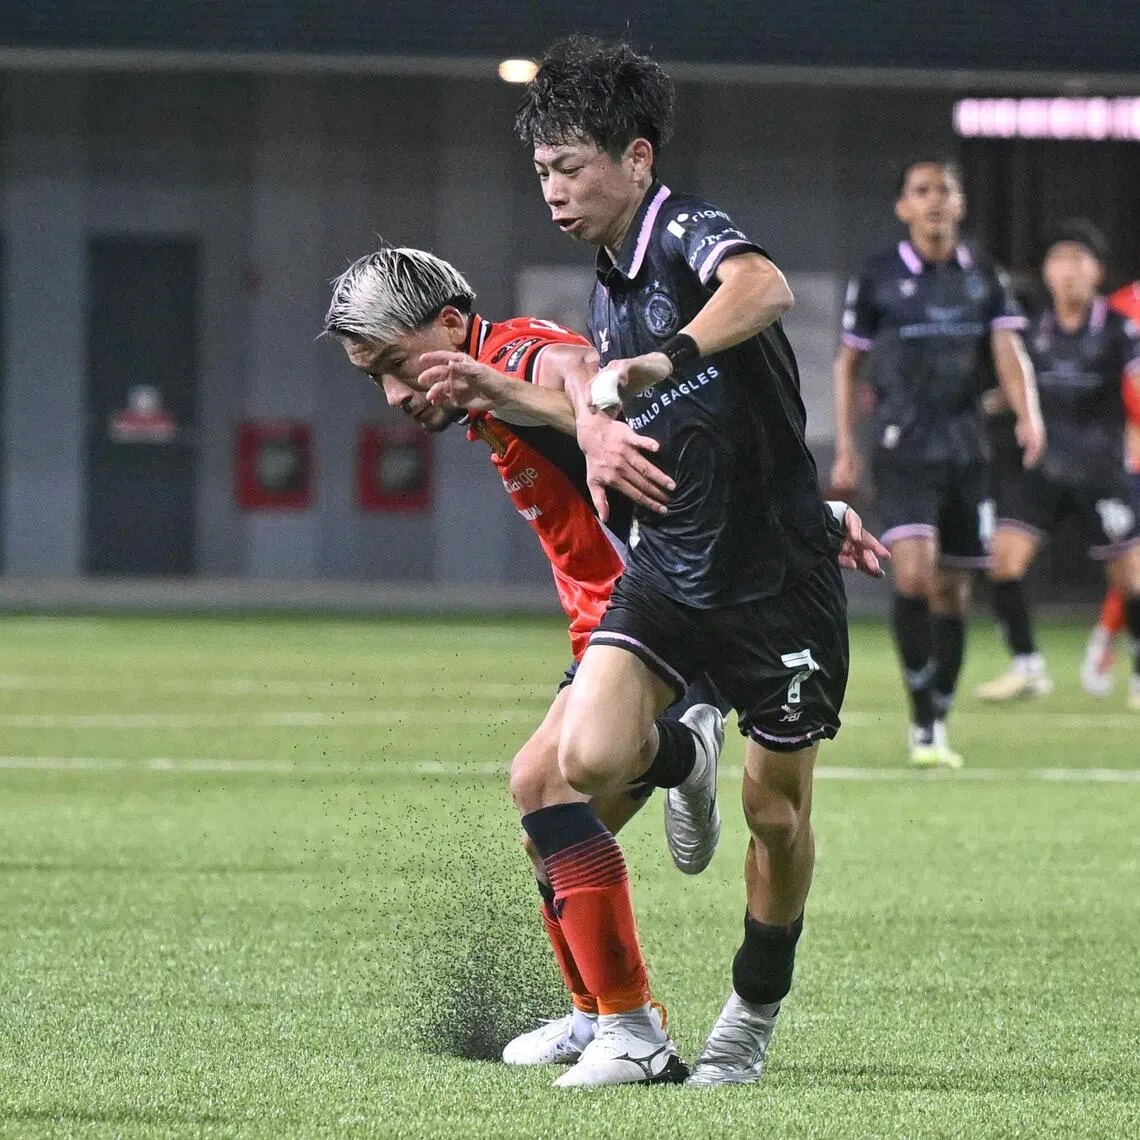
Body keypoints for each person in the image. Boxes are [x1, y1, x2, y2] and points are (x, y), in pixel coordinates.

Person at [514, 36, 888, 1087]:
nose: (555, 188)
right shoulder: (604, 282)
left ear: (636, 158)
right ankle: (685, 756)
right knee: (578, 765)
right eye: (542, 170)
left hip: (779, 582)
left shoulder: (683, 231)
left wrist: (659, 361)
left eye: (572, 164)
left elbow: (765, 290)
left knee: (778, 817)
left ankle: (751, 1016)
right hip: (674, 575)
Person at [321, 246, 727, 1087]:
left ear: (446, 324)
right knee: (549, 833)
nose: (395, 395)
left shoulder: (507, 352)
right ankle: (602, 1014)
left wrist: (558, 397)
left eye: (397, 366)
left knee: (545, 787)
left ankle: (635, 1035)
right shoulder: (486, 385)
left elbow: (575, 364)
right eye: (375, 381)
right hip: (609, 628)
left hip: (660, 615)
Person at [831, 158, 1046, 766]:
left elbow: (1009, 351)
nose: (934, 201)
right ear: (903, 206)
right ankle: (925, 720)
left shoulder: (984, 276)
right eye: (921, 191)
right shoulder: (876, 276)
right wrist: (847, 444)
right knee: (914, 576)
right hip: (902, 447)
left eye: (944, 191)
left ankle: (939, 704)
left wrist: (1030, 415)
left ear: (960, 204)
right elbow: (848, 364)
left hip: (966, 449)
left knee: (953, 591)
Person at [974, 222, 1140, 706]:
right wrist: (989, 404)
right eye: (1060, 259)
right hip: (1042, 466)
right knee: (1003, 562)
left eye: (1080, 260)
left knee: (1130, 577)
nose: (1069, 271)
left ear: (1098, 271)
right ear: (1047, 271)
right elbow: (1013, 387)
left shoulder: (1118, 328)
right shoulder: (1029, 328)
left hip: (1101, 469)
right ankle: (1027, 665)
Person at [1081, 275, 1140, 699]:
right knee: (1131, 564)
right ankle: (1106, 642)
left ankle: (1105, 638)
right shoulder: (1121, 309)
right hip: (1128, 451)